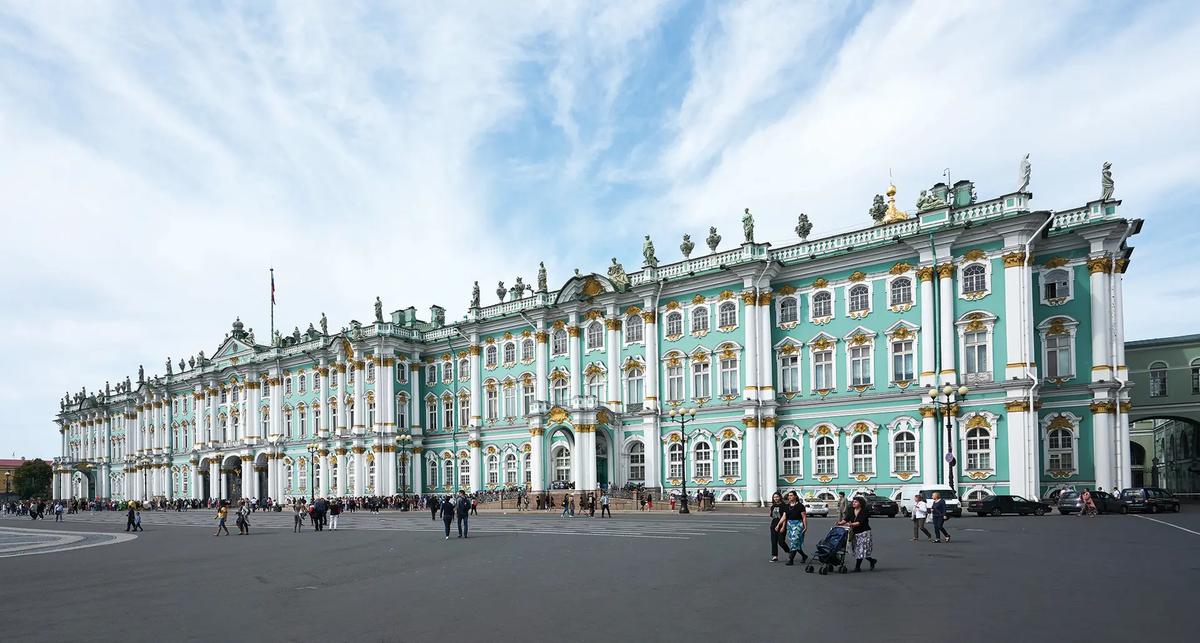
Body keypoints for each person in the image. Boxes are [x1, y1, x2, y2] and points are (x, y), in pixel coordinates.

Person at [839, 496, 876, 572]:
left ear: (860, 503)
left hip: (864, 533)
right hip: (855, 533)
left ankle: (857, 567)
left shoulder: (864, 511)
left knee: (861, 550)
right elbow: (846, 519)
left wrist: (850, 525)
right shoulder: (851, 510)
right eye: (853, 501)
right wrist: (840, 523)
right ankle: (872, 560)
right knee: (857, 550)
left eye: (856, 502)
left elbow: (859, 522)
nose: (853, 503)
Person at [776, 491, 808, 566]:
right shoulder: (787, 506)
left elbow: (804, 517)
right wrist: (778, 525)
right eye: (788, 496)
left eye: (791, 495)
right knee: (796, 543)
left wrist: (805, 526)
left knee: (794, 542)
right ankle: (804, 556)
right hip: (790, 525)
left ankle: (791, 559)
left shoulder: (800, 506)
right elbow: (784, 517)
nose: (789, 497)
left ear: (795, 496)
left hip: (798, 525)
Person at [768, 492, 787, 562]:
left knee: (781, 542)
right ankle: (775, 556)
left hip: (781, 525)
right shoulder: (773, 506)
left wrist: (783, 527)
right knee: (774, 541)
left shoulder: (784, 505)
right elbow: (771, 515)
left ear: (780, 497)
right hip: (773, 525)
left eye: (777, 497)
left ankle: (789, 551)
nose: (776, 498)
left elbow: (785, 517)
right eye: (774, 497)